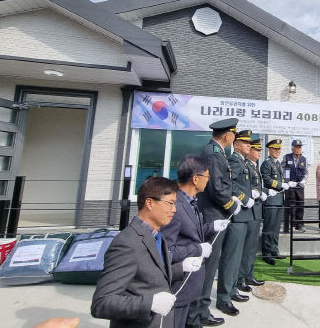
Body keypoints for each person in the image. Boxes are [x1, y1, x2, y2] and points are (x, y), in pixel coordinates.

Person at [91, 177, 182, 328]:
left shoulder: (156, 235)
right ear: (150, 203)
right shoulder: (127, 243)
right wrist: (149, 303)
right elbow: (102, 303)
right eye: (170, 203)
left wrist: (181, 268)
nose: (174, 209)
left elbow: (149, 274)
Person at [161, 156, 229, 328]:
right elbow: (166, 250)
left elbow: (190, 232)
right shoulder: (174, 205)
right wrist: (197, 250)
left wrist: (212, 227)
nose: (209, 181)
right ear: (195, 179)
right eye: (207, 177)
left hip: (190, 286)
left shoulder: (190, 200)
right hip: (178, 286)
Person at [191, 118, 244, 327]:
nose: (234, 138)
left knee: (210, 264)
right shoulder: (213, 153)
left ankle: (200, 309)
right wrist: (232, 204)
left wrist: (234, 198)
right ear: (227, 135)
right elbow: (215, 187)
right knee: (208, 266)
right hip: (213, 213)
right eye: (234, 134)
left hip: (217, 211)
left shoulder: (217, 151)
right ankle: (198, 312)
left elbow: (222, 183)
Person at [216, 130, 257, 317]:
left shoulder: (242, 161)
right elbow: (230, 184)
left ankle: (231, 290)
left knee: (237, 256)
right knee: (231, 258)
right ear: (237, 145)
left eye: (249, 143)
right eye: (245, 143)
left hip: (244, 216)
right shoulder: (234, 160)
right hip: (236, 216)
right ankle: (223, 298)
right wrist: (244, 197)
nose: (249, 145)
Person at [237, 139, 267, 293]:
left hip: (256, 211)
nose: (258, 152)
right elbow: (242, 186)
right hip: (248, 211)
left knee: (252, 247)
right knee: (246, 246)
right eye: (256, 150)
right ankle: (240, 278)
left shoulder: (254, 167)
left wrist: (261, 193)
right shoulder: (246, 165)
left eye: (260, 150)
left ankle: (249, 275)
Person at [260, 139, 289, 265]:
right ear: (269, 149)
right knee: (269, 227)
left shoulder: (277, 164)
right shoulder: (267, 163)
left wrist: (285, 184)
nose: (277, 151)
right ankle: (266, 253)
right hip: (271, 200)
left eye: (278, 149)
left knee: (276, 227)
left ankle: (274, 249)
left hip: (279, 199)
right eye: (274, 149)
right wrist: (281, 185)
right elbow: (267, 180)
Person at [282, 139, 308, 233]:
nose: (298, 149)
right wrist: (287, 181)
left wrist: (304, 181)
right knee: (290, 205)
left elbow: (306, 172)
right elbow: (282, 170)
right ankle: (288, 225)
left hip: (299, 186)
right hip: (290, 186)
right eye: (296, 147)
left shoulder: (304, 159)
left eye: (300, 147)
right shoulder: (287, 157)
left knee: (300, 205)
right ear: (292, 148)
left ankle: (299, 224)